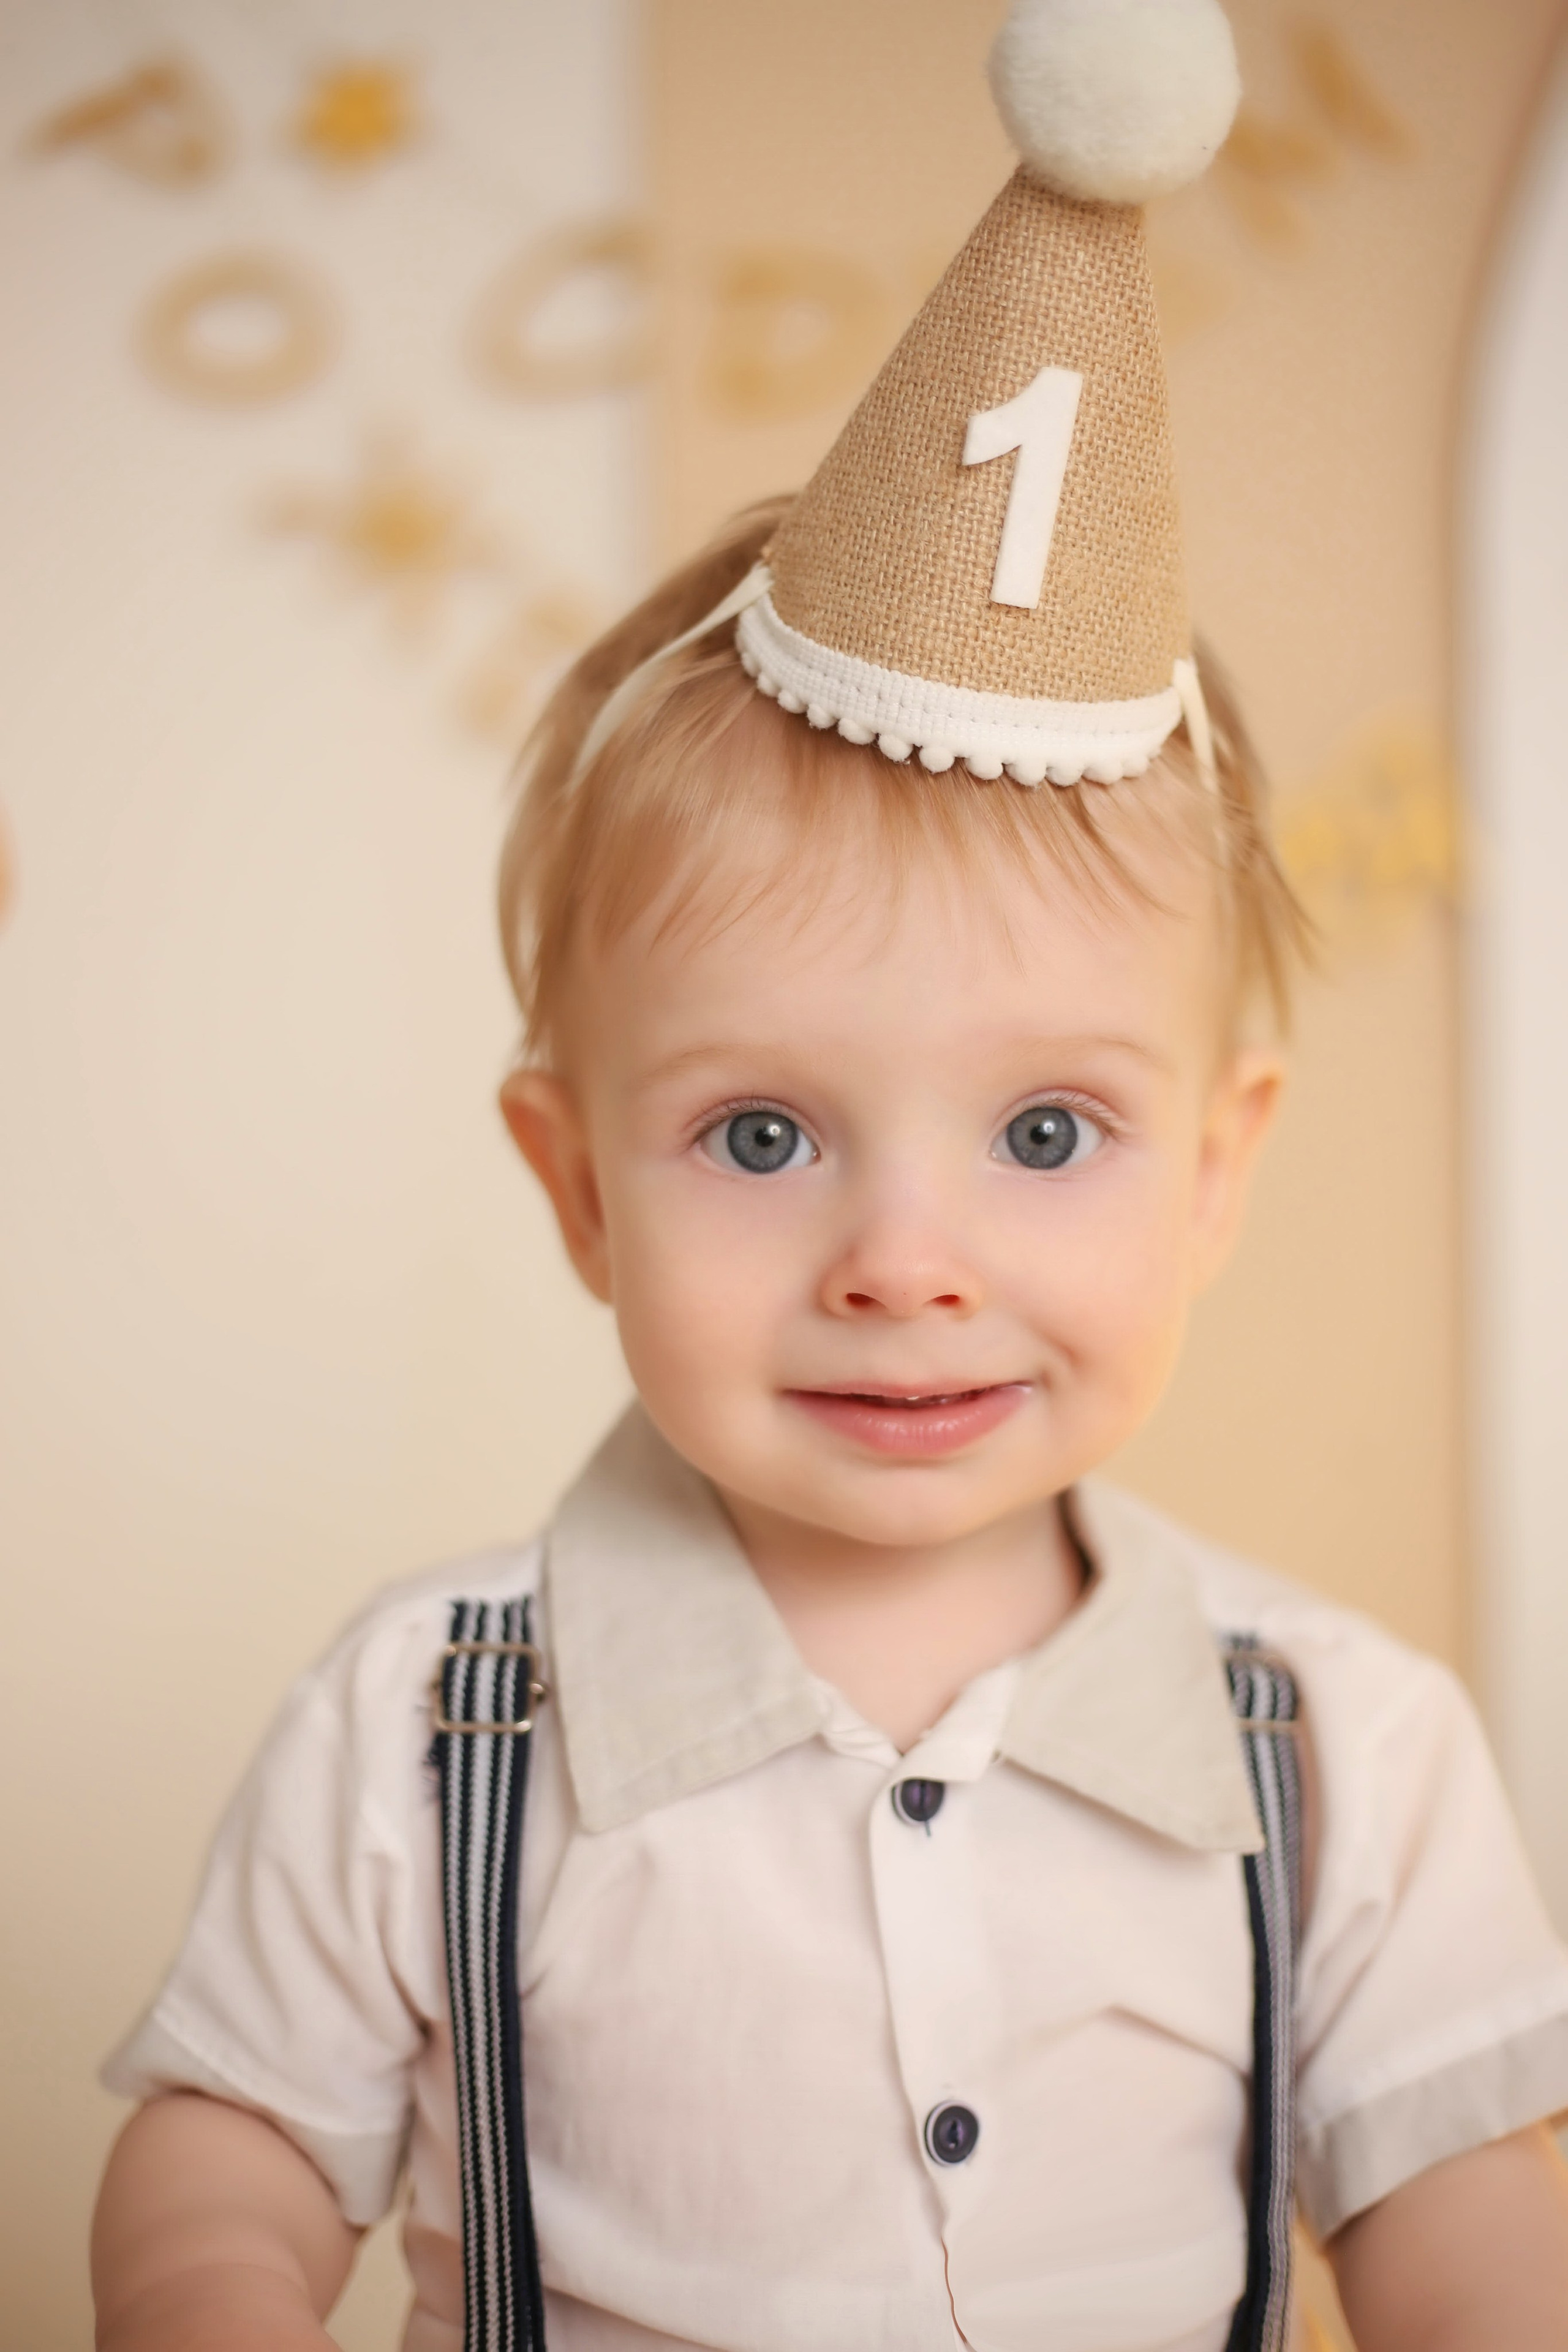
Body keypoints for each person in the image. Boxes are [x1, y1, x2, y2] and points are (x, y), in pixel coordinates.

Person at [91, 4, 1568, 2349]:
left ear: (1217, 1170)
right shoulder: (428, 1728)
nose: (904, 1263)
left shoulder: (1342, 1748)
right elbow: (238, 2138)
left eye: (1051, 1132)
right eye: (760, 1136)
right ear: (575, 1189)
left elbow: (1472, 2225)